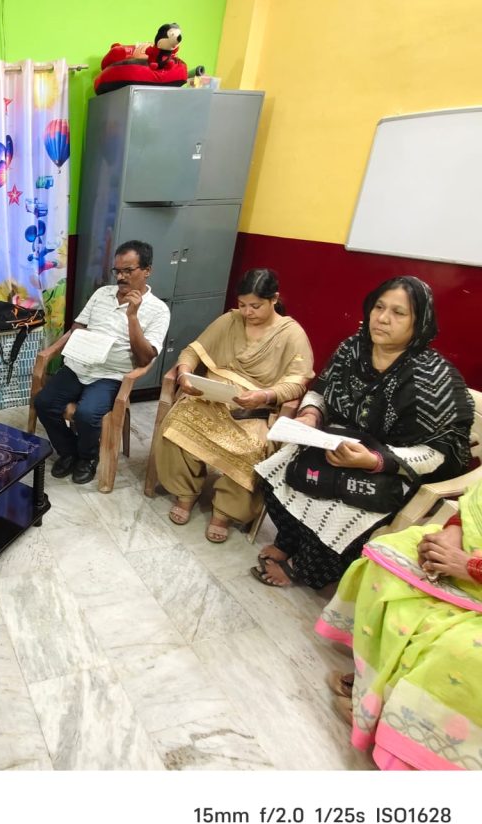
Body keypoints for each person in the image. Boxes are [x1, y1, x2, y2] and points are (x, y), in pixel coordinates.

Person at [253, 276, 474, 589]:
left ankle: (306, 568)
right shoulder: (352, 349)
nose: (383, 318)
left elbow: (441, 453)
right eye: (379, 307)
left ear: (419, 323)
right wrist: (310, 415)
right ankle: (290, 541)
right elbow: (321, 390)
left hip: (392, 468)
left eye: (399, 313)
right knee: (274, 469)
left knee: (341, 508)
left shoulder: (434, 378)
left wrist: (373, 461)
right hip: (337, 443)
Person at [314, 480, 482, 770]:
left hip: (471, 570)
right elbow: (474, 504)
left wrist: (469, 568)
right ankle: (381, 685)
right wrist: (452, 532)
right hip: (467, 555)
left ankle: (411, 730)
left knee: (462, 649)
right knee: (386, 555)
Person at [154, 269, 314, 542]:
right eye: (242, 304)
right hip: (212, 396)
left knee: (253, 448)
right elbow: (192, 351)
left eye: (256, 306)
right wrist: (184, 374)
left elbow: (298, 382)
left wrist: (265, 396)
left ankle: (224, 512)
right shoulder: (230, 320)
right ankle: (185, 492)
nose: (247, 312)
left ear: (274, 299)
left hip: (253, 409)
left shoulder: (291, 333)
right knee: (177, 421)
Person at [33, 240, 170, 485]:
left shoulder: (158, 310)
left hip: (111, 374)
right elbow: (78, 326)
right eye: (117, 271)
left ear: (147, 270)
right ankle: (68, 451)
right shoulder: (102, 294)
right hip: (79, 365)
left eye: (128, 270)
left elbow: (145, 358)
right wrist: (81, 341)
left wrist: (132, 317)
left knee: (87, 414)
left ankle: (88, 458)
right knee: (44, 402)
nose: (121, 277)